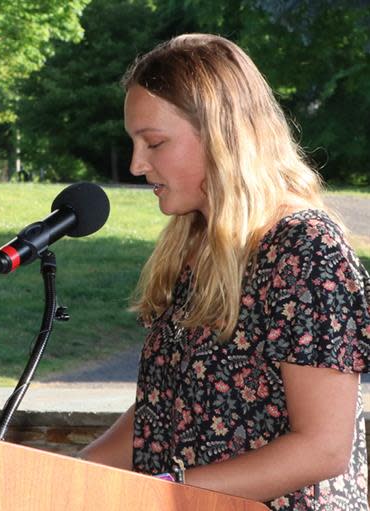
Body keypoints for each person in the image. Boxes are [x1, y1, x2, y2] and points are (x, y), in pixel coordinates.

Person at [80, 33, 370, 510]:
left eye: (154, 142)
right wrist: (66, 479)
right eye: (134, 143)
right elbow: (163, 411)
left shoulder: (304, 249)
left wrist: (160, 498)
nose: (136, 164)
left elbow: (322, 448)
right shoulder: (194, 247)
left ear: (223, 135)